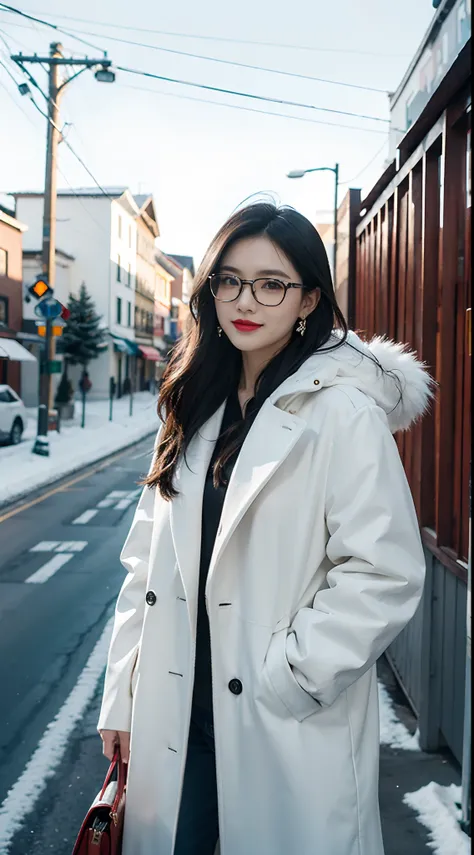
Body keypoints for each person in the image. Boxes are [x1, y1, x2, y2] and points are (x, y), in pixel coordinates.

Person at [98, 202, 433, 855]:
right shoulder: (193, 404)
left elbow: (383, 570)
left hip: (281, 717)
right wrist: (122, 694)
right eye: (229, 279)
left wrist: (294, 672)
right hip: (176, 715)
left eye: (271, 283)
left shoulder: (342, 412)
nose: (245, 300)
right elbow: (146, 565)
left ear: (308, 296)